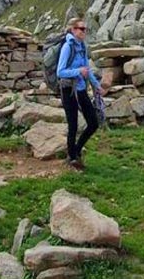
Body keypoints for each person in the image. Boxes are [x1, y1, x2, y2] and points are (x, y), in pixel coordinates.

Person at [57, 17, 105, 171]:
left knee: (93, 122)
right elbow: (60, 71)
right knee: (73, 125)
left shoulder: (82, 47)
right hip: (68, 90)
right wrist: (78, 71)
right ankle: (72, 158)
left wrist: (97, 86)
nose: (84, 32)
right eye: (81, 29)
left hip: (81, 89)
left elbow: (87, 69)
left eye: (85, 29)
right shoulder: (67, 47)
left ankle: (76, 150)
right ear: (73, 30)